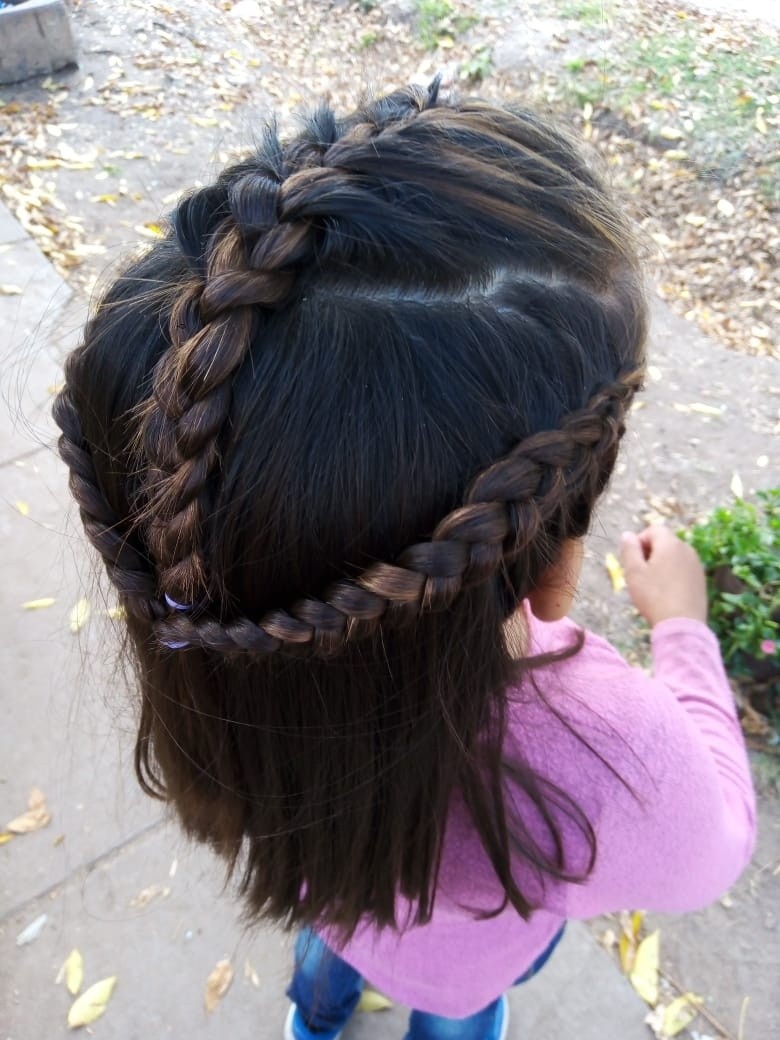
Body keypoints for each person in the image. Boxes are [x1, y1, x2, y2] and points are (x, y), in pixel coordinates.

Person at [52, 80, 756, 1040]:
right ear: (556, 560)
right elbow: (716, 848)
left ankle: (315, 1020)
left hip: (329, 896)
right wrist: (683, 633)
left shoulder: (215, 655)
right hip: (469, 969)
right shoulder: (607, 744)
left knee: (325, 957)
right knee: (458, 1014)